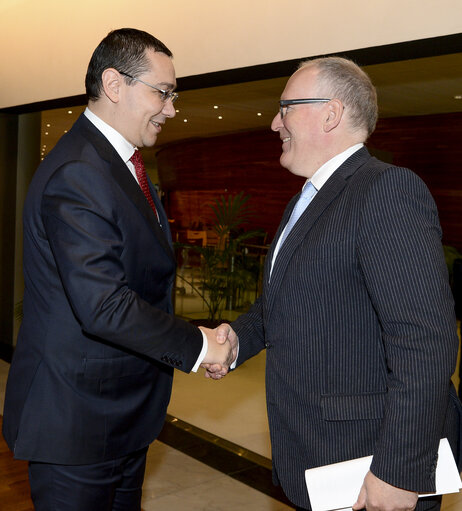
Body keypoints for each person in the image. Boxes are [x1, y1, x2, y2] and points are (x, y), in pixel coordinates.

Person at [209, 57, 462, 510]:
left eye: (285, 107)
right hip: (316, 456)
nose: (273, 123)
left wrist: (399, 471)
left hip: (371, 466)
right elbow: (281, 307)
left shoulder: (386, 190)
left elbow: (425, 342)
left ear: (330, 113)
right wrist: (237, 339)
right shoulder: (302, 202)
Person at [2, 28, 236, 511]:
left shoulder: (117, 163)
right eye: (163, 92)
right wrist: (200, 344)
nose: (172, 108)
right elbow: (104, 305)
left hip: (117, 417)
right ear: (114, 84)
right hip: (77, 424)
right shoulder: (81, 172)